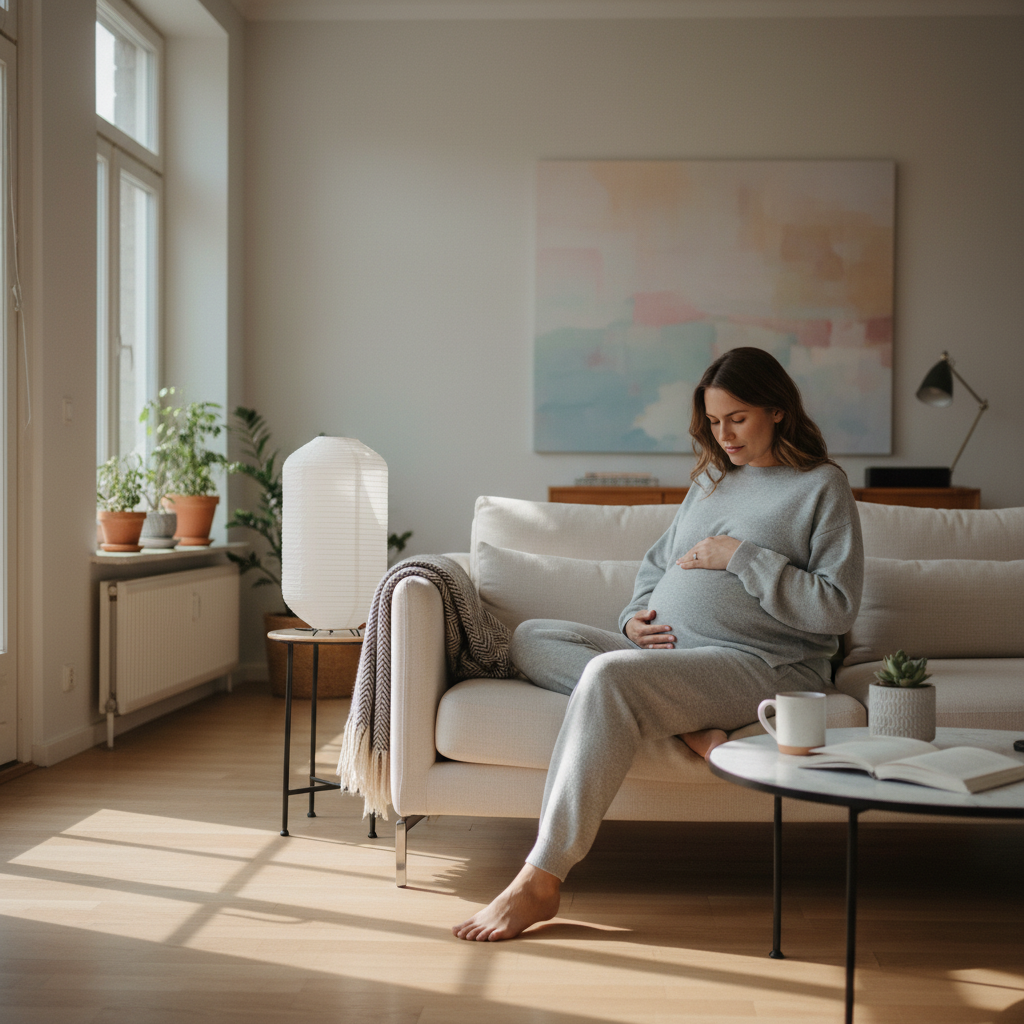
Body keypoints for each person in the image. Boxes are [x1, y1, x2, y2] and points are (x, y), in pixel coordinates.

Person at [452, 346, 864, 942]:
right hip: (670, 656)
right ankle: (685, 726)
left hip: (764, 664)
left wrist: (742, 557)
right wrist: (630, 624)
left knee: (608, 678)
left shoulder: (821, 487)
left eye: (738, 419)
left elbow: (836, 606)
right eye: (714, 422)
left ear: (778, 410)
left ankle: (540, 878)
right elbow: (654, 568)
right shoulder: (713, 482)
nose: (723, 436)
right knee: (532, 637)